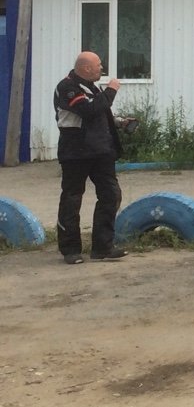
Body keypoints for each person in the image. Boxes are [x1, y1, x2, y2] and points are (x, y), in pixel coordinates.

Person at [53, 51, 132, 264]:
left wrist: (119, 122)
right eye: (98, 65)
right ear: (86, 68)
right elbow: (88, 110)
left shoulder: (91, 87)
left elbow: (99, 113)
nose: (101, 68)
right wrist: (111, 90)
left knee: (111, 195)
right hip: (76, 154)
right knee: (72, 199)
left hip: (101, 152)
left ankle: (103, 248)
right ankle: (70, 250)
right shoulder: (67, 87)